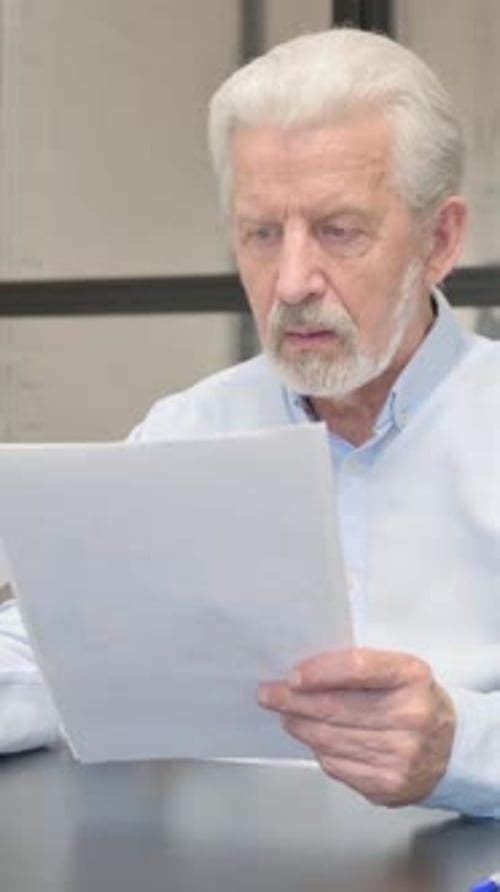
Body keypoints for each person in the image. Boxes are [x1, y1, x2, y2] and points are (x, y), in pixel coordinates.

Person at [1, 27, 500, 818]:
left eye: (339, 231)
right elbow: (49, 659)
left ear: (439, 241)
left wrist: (460, 747)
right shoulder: (189, 429)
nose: (293, 281)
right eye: (262, 233)